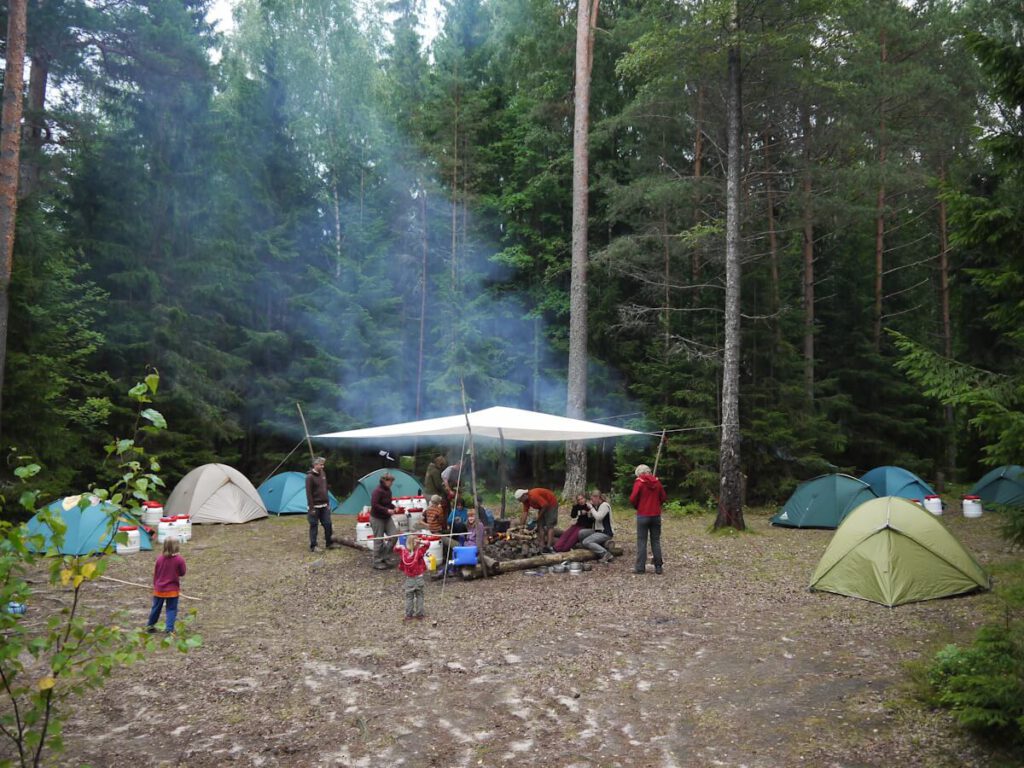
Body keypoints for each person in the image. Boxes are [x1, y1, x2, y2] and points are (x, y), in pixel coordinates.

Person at [146, 537, 186, 634]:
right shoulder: (179, 560)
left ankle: (150, 626)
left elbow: (156, 573)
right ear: (176, 547)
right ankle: (169, 629)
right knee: (171, 609)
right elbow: (182, 572)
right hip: (172, 590)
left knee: (155, 608)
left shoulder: (159, 559)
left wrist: (155, 585)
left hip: (159, 589)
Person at [630, 464, 666, 574]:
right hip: (655, 515)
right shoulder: (657, 482)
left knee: (642, 541)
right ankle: (658, 567)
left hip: (643, 515)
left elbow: (633, 498)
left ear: (640, 473)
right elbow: (663, 497)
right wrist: (656, 504)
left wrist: (638, 505)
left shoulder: (639, 483)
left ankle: (640, 567)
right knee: (655, 541)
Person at [396, 531, 429, 620]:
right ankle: (420, 614)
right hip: (419, 579)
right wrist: (421, 541)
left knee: (409, 597)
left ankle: (409, 615)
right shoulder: (419, 552)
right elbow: (427, 544)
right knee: (420, 596)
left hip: (409, 579)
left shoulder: (404, 553)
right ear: (416, 543)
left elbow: (395, 549)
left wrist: (400, 546)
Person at [515, 487, 559, 553]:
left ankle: (549, 547)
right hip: (543, 506)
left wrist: (538, 516)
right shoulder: (525, 500)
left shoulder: (533, 496)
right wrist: (521, 526)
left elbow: (545, 505)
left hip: (551, 503)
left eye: (520, 500)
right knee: (539, 525)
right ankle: (542, 545)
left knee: (550, 525)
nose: (520, 502)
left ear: (524, 495)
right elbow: (525, 513)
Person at [577, 488, 615, 564]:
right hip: (597, 531)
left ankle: (605, 554)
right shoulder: (597, 506)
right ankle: (593, 546)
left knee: (586, 541)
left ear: (597, 497)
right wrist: (587, 513)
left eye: (592, 499)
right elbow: (593, 518)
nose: (592, 501)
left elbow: (599, 517)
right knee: (581, 533)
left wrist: (591, 507)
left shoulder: (605, 505)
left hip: (605, 532)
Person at [370, 472, 399, 570]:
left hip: (386, 517)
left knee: (394, 536)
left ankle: (385, 556)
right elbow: (375, 505)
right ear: (384, 480)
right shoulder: (377, 491)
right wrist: (387, 510)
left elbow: (388, 503)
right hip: (377, 518)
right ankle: (377, 561)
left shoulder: (388, 491)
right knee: (378, 539)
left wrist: (394, 507)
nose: (391, 483)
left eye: (392, 481)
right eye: (390, 481)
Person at [306, 456, 335, 552]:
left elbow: (325, 489)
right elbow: (309, 493)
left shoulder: (323, 473)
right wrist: (311, 508)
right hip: (314, 506)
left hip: (324, 505)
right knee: (314, 525)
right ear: (315, 465)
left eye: (323, 464)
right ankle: (313, 546)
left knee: (328, 524)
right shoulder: (309, 477)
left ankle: (329, 543)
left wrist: (327, 503)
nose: (323, 466)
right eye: (321, 465)